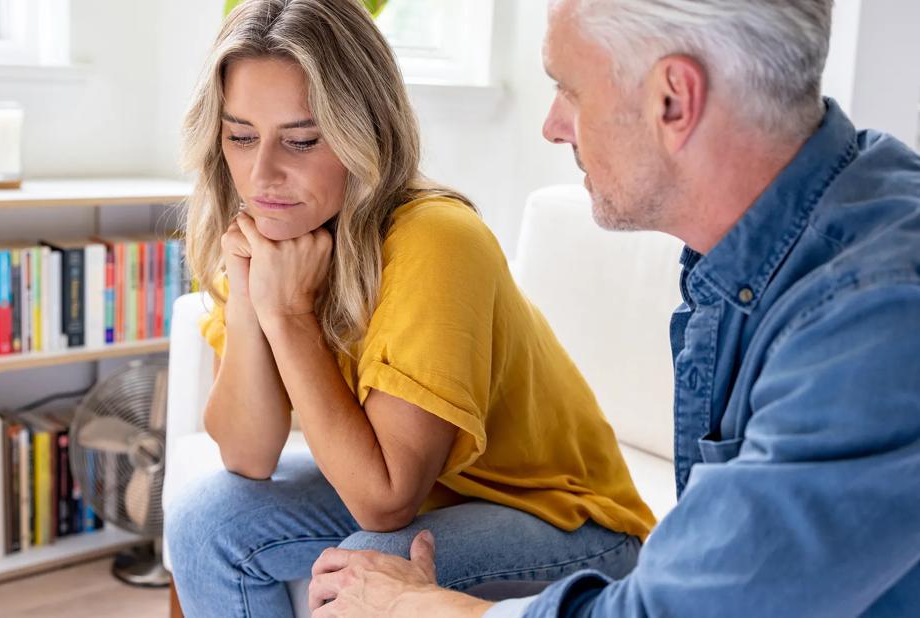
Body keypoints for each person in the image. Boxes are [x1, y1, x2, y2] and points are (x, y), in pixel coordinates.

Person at [306, 0, 920, 616]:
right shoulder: (777, 243)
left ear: (673, 101)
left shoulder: (874, 321)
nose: (552, 125)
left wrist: (417, 606)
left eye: (569, 90)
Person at [164, 0, 657, 615]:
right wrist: (250, 295)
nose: (263, 173)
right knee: (205, 520)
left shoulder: (438, 240)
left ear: (361, 131)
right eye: (241, 136)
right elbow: (246, 454)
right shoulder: (269, 231)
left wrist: (289, 316)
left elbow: (385, 500)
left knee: (364, 560)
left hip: (565, 520)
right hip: (442, 499)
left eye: (302, 140)